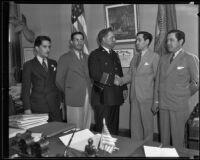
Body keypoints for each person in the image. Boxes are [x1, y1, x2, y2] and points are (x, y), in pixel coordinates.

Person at [152, 29, 199, 148]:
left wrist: (185, 93)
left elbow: (196, 82)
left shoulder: (189, 58)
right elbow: (158, 81)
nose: (168, 43)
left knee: (178, 139)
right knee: (164, 138)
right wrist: (156, 101)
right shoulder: (163, 59)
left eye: (171, 40)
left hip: (178, 105)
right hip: (163, 104)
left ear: (181, 41)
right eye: (167, 40)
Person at [114, 31, 160, 140]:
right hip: (134, 97)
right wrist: (120, 81)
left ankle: (148, 149)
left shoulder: (154, 57)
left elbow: (158, 80)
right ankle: (134, 149)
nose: (136, 43)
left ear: (147, 41)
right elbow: (130, 75)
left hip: (147, 98)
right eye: (136, 40)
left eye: (139, 40)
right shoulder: (135, 58)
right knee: (135, 127)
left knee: (148, 128)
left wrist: (156, 100)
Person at [88, 27, 128, 135]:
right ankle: (100, 150)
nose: (115, 40)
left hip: (115, 96)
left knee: (114, 127)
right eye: (112, 37)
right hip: (102, 97)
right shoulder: (95, 54)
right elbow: (95, 74)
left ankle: (113, 147)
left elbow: (119, 73)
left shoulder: (114, 54)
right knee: (103, 129)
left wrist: (124, 88)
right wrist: (112, 80)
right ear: (103, 39)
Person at [56, 32, 92, 129]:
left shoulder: (88, 57)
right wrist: (68, 91)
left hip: (88, 95)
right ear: (71, 42)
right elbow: (59, 80)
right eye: (76, 40)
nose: (79, 42)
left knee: (86, 124)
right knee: (75, 127)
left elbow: (90, 76)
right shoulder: (64, 58)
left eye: (81, 40)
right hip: (73, 97)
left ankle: (86, 143)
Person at [22, 35, 62, 122]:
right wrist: (27, 108)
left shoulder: (53, 63)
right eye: (44, 47)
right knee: (43, 133)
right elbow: (25, 88)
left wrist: (60, 100)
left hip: (55, 105)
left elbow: (56, 83)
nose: (48, 49)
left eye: (49, 47)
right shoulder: (29, 65)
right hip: (39, 106)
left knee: (58, 130)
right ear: (36, 48)